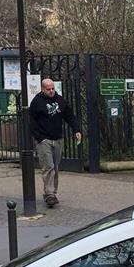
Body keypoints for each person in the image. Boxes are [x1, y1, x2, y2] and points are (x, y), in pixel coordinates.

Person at [28, 78, 81, 208]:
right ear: (43, 89)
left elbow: (69, 115)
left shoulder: (60, 100)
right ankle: (49, 193)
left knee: (55, 168)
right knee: (48, 166)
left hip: (58, 138)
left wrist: (76, 129)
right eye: (48, 89)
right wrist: (39, 137)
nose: (51, 91)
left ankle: (52, 193)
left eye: (52, 88)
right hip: (44, 140)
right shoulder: (37, 102)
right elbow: (31, 121)